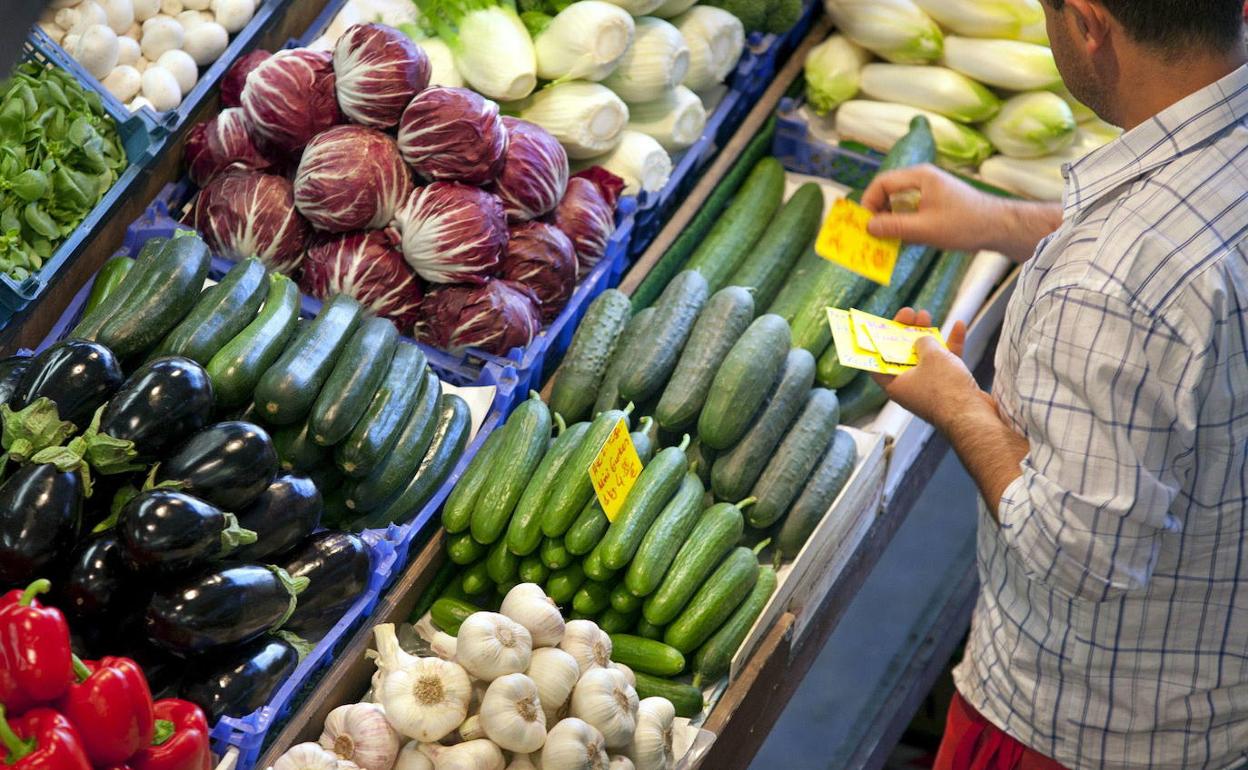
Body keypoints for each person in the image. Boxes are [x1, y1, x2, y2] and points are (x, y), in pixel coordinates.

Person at [859, 1, 1248, 768]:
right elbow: (1187, 247)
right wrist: (999, 221)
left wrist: (956, 401)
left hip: (1082, 735)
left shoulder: (1110, 283)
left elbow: (1077, 553)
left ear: (1088, 23)